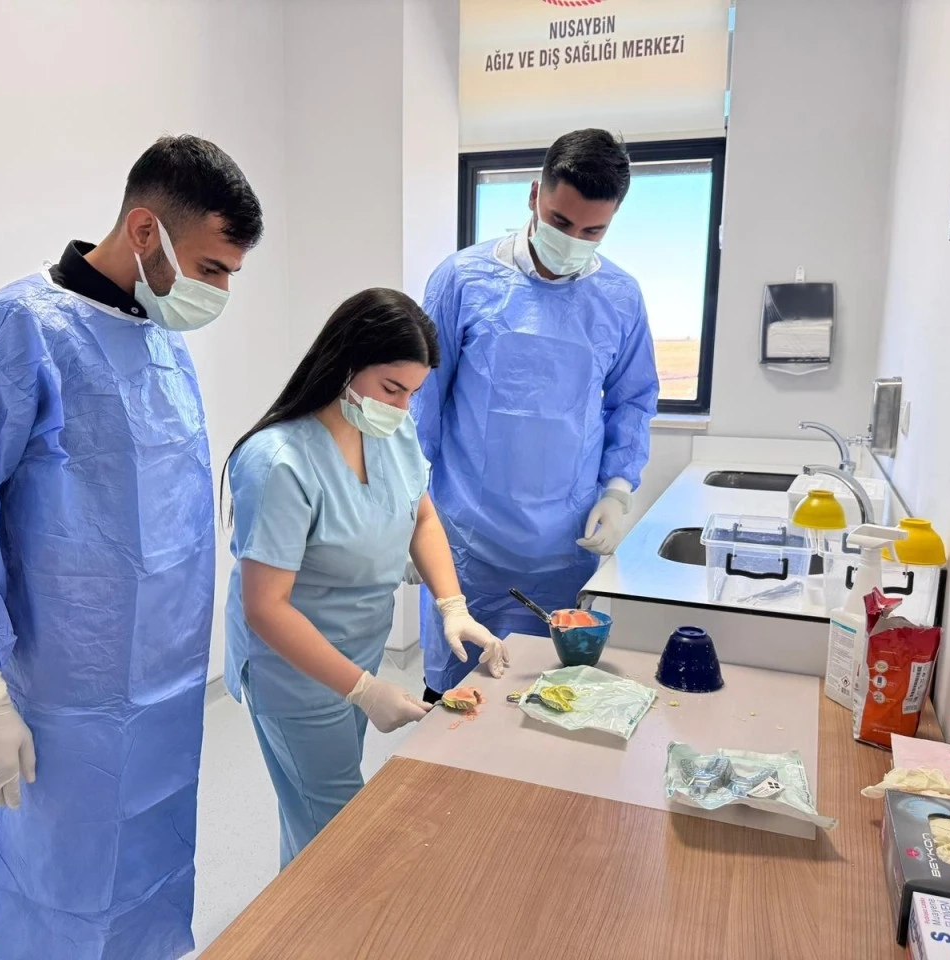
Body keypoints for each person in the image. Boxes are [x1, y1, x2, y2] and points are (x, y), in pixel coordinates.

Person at [0, 135, 263, 960]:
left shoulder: (161, 337)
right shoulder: (14, 333)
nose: (220, 292)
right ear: (145, 230)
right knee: (59, 890)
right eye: (211, 268)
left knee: (150, 867)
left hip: (163, 689)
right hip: (60, 693)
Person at [223, 288, 508, 869]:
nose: (402, 409)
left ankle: (298, 906)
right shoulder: (279, 461)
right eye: (391, 388)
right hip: (295, 673)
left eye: (413, 394)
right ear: (344, 363)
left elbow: (421, 515)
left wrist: (452, 605)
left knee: (315, 814)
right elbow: (266, 607)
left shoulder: (389, 431)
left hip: (357, 649)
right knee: (337, 829)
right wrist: (364, 690)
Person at [412, 128, 659, 701]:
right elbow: (421, 400)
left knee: (547, 703)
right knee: (456, 709)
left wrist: (617, 492)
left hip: (562, 545)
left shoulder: (621, 297)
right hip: (467, 539)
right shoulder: (462, 280)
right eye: (560, 221)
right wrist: (405, 509)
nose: (573, 240)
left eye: (593, 231)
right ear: (533, 195)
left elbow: (634, 399)